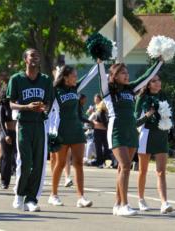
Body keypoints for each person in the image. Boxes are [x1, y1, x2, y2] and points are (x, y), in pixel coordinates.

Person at [97, 57, 163, 216]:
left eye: (127, 73)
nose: (126, 75)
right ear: (114, 75)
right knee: (126, 165)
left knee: (122, 168)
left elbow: (146, 77)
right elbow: (101, 77)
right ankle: (125, 205)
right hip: (117, 130)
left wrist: (159, 62)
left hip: (131, 131)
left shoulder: (131, 89)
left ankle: (117, 203)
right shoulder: (108, 91)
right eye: (122, 73)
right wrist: (100, 63)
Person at [7, 48, 53, 212]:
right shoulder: (16, 79)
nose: (35, 58)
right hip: (24, 124)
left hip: (39, 125)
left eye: (37, 56)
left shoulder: (46, 80)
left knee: (39, 163)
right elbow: (11, 103)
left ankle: (31, 199)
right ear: (25, 59)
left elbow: (48, 102)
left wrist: (43, 108)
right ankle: (19, 195)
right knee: (25, 162)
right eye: (32, 55)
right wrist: (26, 106)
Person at [48, 65, 97, 208]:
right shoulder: (55, 91)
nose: (76, 78)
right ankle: (53, 194)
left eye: (76, 76)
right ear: (65, 77)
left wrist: (99, 63)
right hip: (61, 130)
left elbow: (89, 75)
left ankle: (81, 197)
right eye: (74, 75)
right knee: (61, 163)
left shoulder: (75, 88)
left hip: (76, 130)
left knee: (79, 164)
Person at [135, 74, 173, 214]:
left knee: (161, 171)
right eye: (154, 81)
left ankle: (164, 202)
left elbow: (170, 115)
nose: (158, 83)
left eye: (159, 80)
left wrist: (168, 121)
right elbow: (135, 121)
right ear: (148, 84)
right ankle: (141, 199)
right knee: (143, 171)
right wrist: (148, 114)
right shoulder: (142, 98)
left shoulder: (164, 97)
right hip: (147, 135)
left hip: (161, 135)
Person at [0, 86, 17, 189]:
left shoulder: (17, 104)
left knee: (19, 158)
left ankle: (20, 181)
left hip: (18, 133)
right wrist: (6, 135)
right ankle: (4, 181)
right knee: (7, 158)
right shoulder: (3, 106)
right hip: (7, 134)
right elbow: (1, 122)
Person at [93, 101, 110, 168]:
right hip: (100, 133)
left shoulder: (103, 112)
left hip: (100, 132)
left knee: (102, 148)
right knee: (101, 148)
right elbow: (105, 124)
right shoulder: (101, 113)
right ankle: (101, 162)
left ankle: (102, 162)